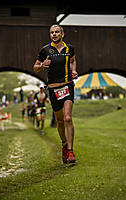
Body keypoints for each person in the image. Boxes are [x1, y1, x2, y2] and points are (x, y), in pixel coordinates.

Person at [33, 24, 78, 164]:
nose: (54, 34)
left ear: (62, 34)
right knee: (59, 121)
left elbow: (73, 60)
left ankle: (70, 151)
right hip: (53, 89)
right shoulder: (45, 50)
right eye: (52, 32)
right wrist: (42, 66)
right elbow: (35, 68)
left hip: (67, 86)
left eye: (57, 32)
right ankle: (64, 144)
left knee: (68, 118)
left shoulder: (69, 48)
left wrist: (74, 70)